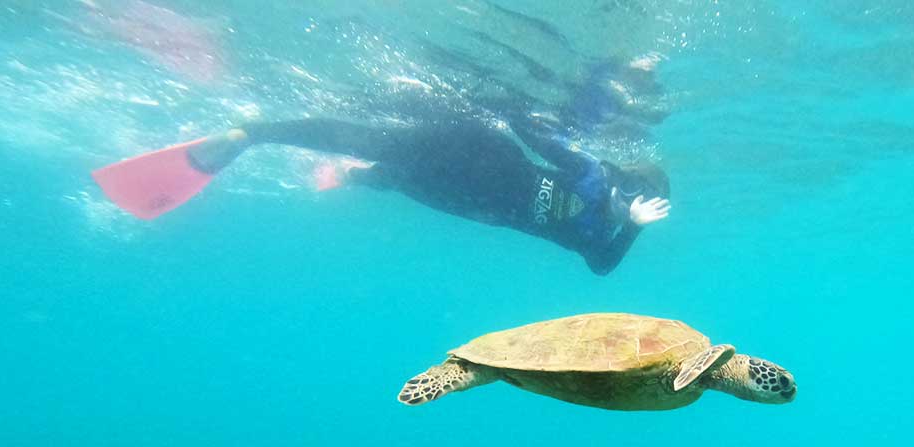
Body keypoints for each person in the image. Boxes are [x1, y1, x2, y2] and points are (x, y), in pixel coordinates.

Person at [93, 110, 671, 276]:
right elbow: (530, 132)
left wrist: (635, 229)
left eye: (645, 200)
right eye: (636, 188)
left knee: (392, 171)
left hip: (460, 197)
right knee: (378, 143)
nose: (632, 197)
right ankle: (253, 135)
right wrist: (511, 105)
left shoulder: (598, 232)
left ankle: (337, 172)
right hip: (474, 154)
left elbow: (601, 267)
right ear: (626, 175)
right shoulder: (593, 174)